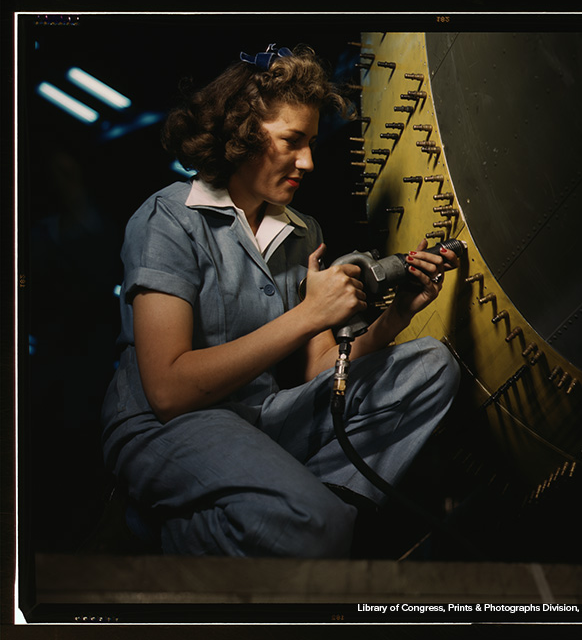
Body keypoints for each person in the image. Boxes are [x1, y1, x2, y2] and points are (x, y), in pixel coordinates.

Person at [101, 43, 460, 557]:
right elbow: (169, 392)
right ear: (242, 134)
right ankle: (165, 535)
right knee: (312, 526)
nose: (309, 161)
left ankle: (319, 519)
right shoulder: (170, 218)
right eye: (293, 141)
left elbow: (321, 371)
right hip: (169, 428)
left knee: (431, 365)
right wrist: (310, 314)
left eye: (312, 143)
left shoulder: (301, 232)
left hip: (263, 420)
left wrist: (398, 312)